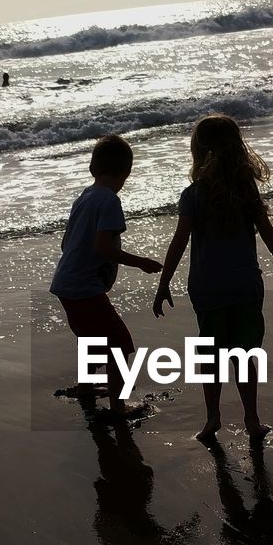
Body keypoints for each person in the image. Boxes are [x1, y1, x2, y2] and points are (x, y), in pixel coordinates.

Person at [154, 114, 273, 441]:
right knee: (245, 354)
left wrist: (164, 283)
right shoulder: (245, 190)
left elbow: (179, 242)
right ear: (238, 148)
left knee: (212, 356)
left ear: (198, 152)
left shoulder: (192, 195)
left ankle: (212, 419)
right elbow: (269, 233)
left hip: (208, 289)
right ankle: (252, 419)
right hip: (246, 286)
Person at [50, 134, 161, 415]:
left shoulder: (85, 196)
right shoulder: (109, 201)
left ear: (92, 168)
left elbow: (66, 243)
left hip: (65, 283)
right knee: (119, 345)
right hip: (84, 287)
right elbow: (103, 247)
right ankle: (118, 405)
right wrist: (141, 262)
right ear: (127, 172)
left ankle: (87, 388)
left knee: (93, 341)